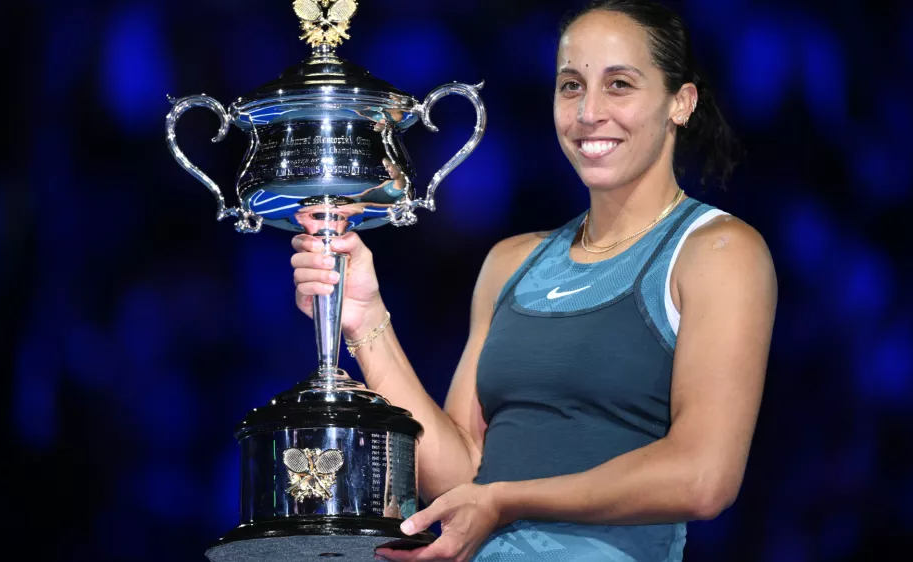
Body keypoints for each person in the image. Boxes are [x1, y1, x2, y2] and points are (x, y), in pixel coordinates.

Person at [290, 0, 777, 560]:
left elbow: (703, 477)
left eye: (619, 85)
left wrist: (506, 500)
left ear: (680, 103)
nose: (589, 111)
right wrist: (366, 317)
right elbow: (459, 476)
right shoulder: (511, 262)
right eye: (571, 86)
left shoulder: (717, 252)